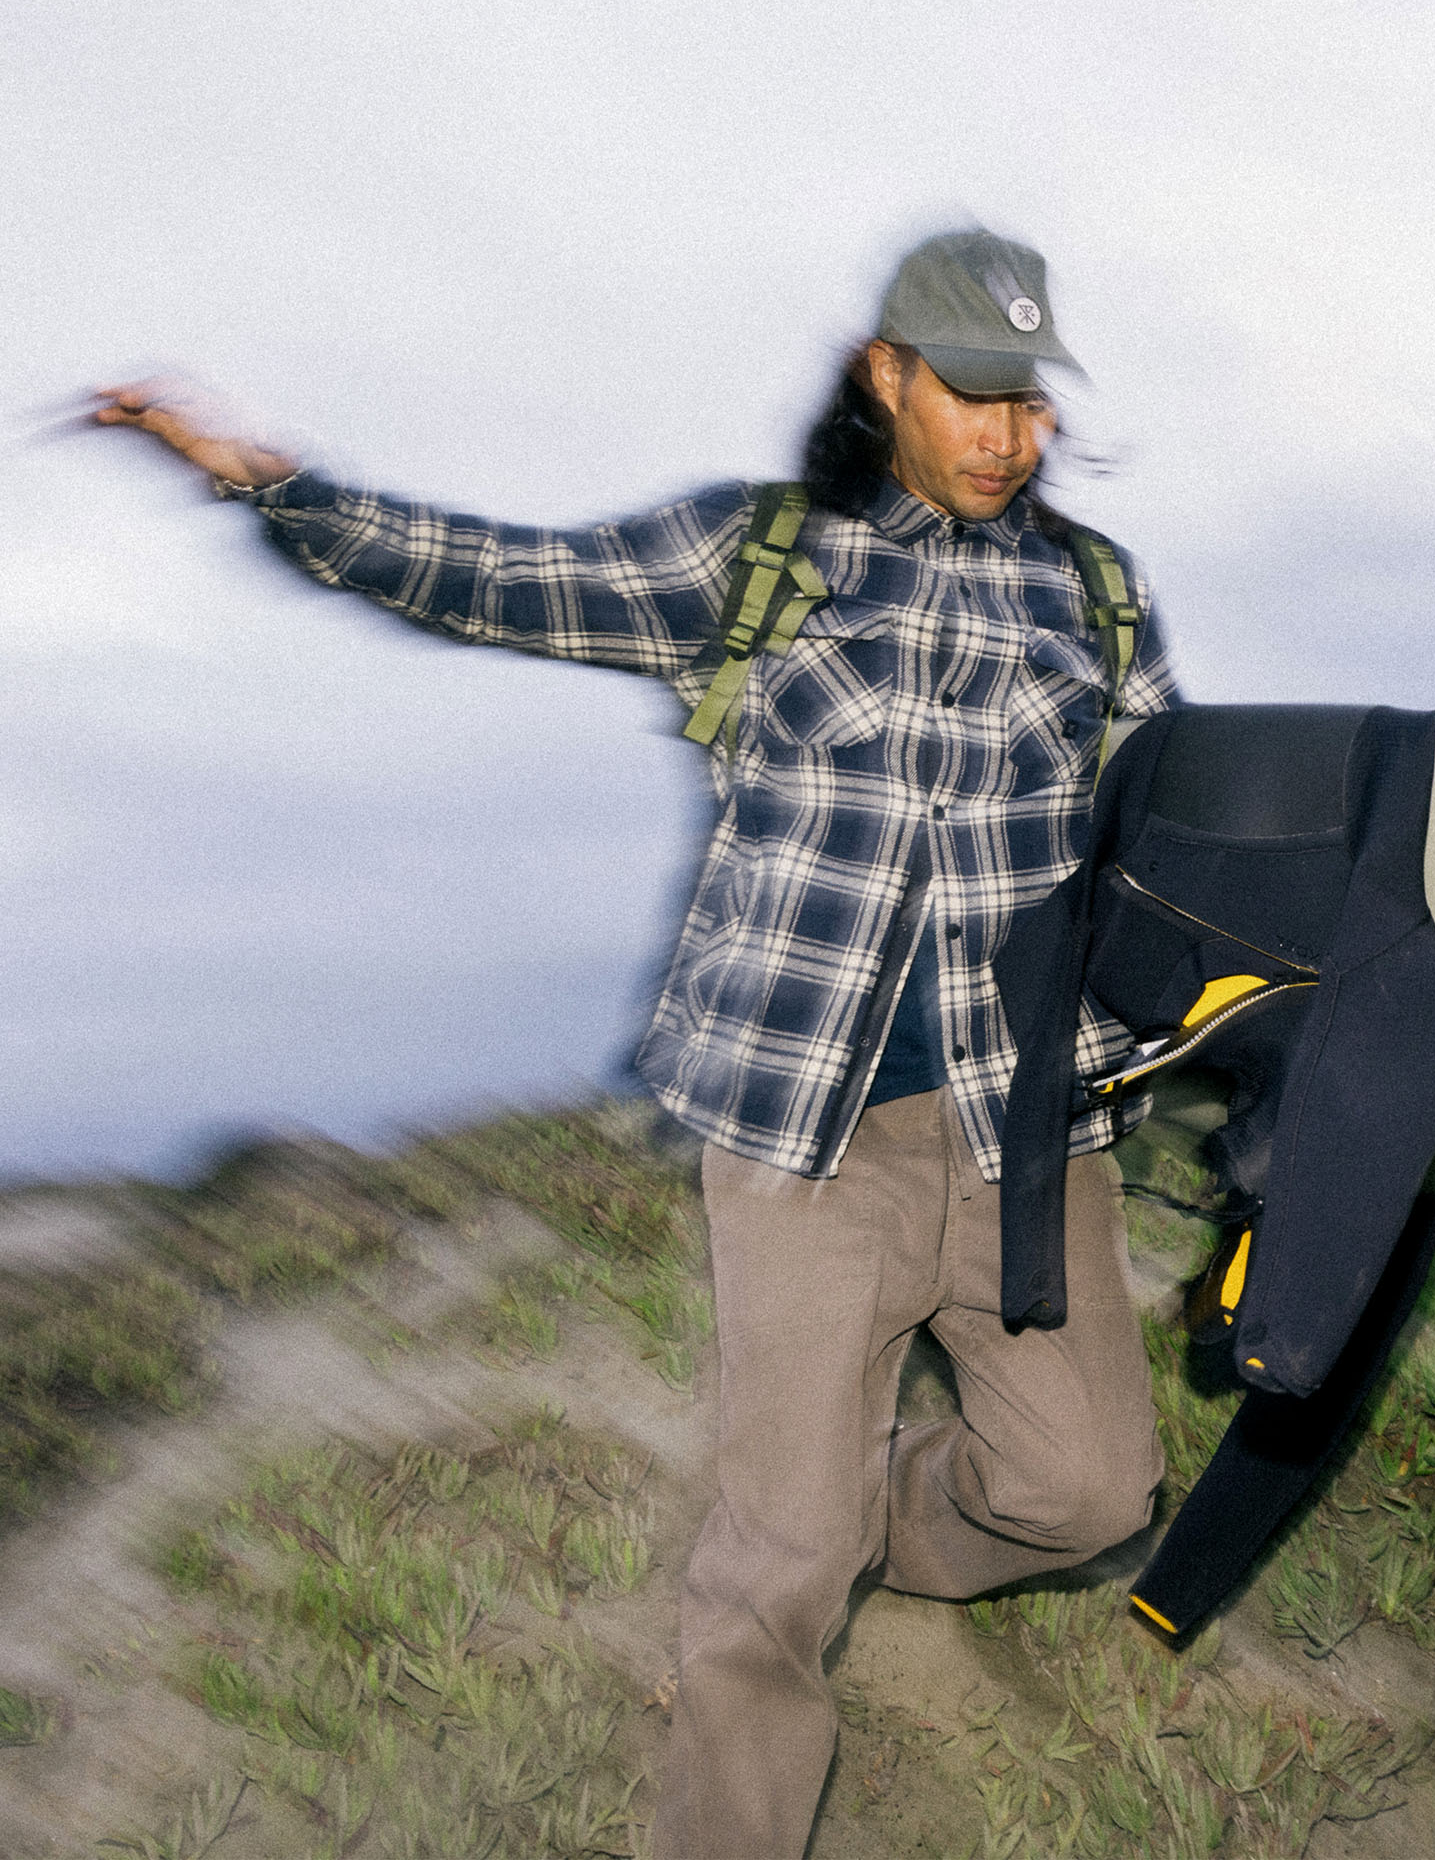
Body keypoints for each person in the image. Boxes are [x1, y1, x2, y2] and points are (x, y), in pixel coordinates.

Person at [92, 229, 1179, 1859]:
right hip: (800, 1136)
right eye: (970, 395)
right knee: (772, 1579)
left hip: (1027, 1133)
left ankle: (857, 1518)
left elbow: (1162, 826)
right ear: (887, 377)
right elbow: (498, 577)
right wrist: (277, 487)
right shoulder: (752, 558)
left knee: (1090, 1492)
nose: (1005, 436)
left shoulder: (1089, 593)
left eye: (1026, 401)